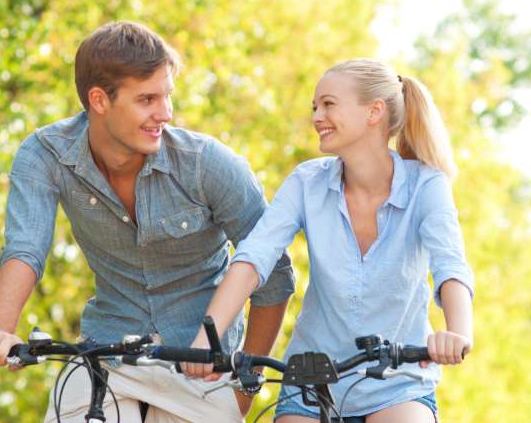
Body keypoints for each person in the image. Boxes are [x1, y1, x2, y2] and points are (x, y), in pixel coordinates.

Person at [0, 21, 295, 422]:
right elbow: (25, 248)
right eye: (147, 100)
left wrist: (247, 380)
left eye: (166, 96)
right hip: (105, 357)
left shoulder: (207, 165)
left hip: (201, 368)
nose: (166, 113)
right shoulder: (45, 156)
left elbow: (274, 273)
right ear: (100, 100)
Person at [183, 59, 475, 422]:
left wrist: (458, 333)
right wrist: (204, 340)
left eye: (329, 104)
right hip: (311, 380)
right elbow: (252, 260)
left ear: (374, 111)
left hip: (397, 380)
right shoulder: (307, 182)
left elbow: (450, 266)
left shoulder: (426, 185)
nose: (317, 116)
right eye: (315, 107)